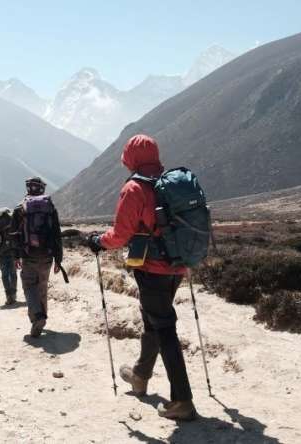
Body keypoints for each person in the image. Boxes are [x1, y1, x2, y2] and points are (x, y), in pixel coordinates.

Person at [87, 134, 196, 421]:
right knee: (154, 322)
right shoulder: (171, 184)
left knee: (164, 328)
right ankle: (140, 376)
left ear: (131, 157)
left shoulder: (135, 188)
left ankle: (182, 400)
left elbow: (121, 235)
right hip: (177, 265)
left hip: (152, 268)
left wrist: (98, 240)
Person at [10, 177, 63, 338]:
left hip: (28, 255)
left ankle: (37, 318)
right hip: (47, 256)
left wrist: (16, 256)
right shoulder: (50, 208)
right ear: (42, 189)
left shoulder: (20, 208)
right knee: (42, 288)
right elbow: (56, 234)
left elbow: (14, 235)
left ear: (28, 189)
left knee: (29, 287)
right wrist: (58, 259)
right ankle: (42, 318)